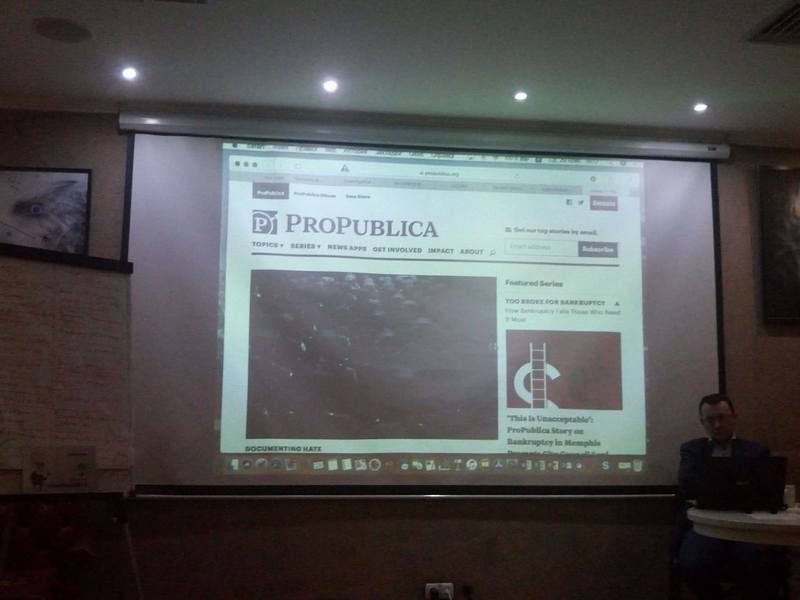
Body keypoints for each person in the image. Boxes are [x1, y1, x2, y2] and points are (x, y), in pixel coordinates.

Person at [676, 393, 786, 600]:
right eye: (710, 420)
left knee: (767, 565)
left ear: (734, 418)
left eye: (722, 418)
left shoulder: (757, 451)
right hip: (705, 527)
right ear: (702, 422)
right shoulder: (692, 449)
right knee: (692, 564)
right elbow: (687, 484)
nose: (717, 425)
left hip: (746, 527)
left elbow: (767, 490)